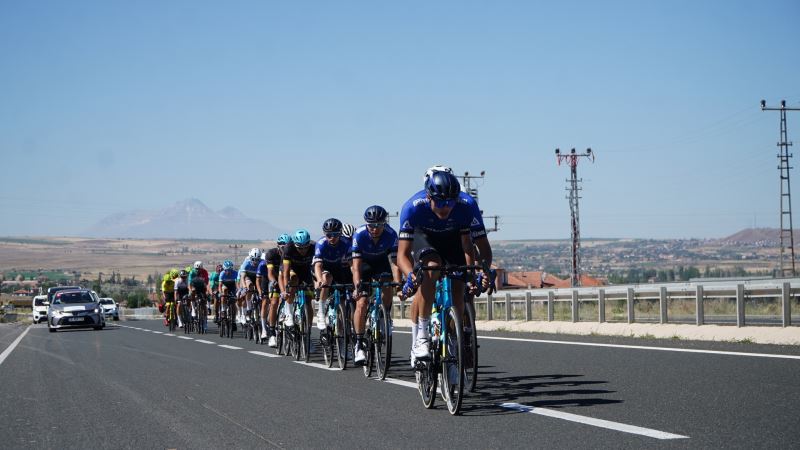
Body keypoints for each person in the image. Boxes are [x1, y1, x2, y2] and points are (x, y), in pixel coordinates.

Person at [397, 171, 491, 362]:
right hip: (425, 239)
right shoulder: (412, 208)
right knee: (432, 267)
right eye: (440, 202)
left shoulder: (467, 205)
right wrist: (409, 275)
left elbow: (482, 249)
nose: (445, 207)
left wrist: (482, 271)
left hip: (452, 240)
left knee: (458, 286)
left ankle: (453, 338)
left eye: (450, 202)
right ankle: (422, 336)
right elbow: (402, 255)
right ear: (429, 197)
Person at [351, 205, 401, 365]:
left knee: (388, 282)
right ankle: (359, 344)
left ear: (384, 223)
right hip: (364, 265)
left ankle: (385, 315)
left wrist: (398, 284)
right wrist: (357, 285)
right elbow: (356, 267)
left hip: (381, 263)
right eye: (371, 225)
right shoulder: (359, 235)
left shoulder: (391, 234)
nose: (375, 229)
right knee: (362, 302)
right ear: (366, 224)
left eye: (379, 225)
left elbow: (395, 263)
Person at [312, 218, 352, 329]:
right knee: (326, 278)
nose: (332, 238)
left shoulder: (346, 243)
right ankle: (320, 313)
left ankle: (341, 331)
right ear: (325, 234)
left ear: (340, 233)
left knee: (343, 303)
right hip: (324, 267)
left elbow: (352, 265)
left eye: (335, 234)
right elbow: (318, 266)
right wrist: (320, 279)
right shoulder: (321, 244)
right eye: (329, 235)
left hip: (338, 268)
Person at [258, 234, 291, 346]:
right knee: (274, 302)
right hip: (273, 279)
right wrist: (274, 282)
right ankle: (272, 333)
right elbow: (270, 273)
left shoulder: (291, 253)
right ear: (278, 246)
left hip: (286, 278)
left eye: (287, 247)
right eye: (283, 247)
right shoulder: (271, 254)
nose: (285, 249)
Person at [280, 229, 315, 328]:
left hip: (305, 270)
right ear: (295, 245)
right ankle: (289, 314)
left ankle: (308, 331)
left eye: (305, 248)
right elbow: (286, 272)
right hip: (292, 268)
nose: (303, 250)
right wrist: (286, 289)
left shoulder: (314, 247)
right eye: (300, 248)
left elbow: (317, 268)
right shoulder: (288, 248)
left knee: (308, 301)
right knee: (294, 279)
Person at [238, 247, 261, 325]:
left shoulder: (262, 263)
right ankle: (249, 309)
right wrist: (244, 287)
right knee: (249, 286)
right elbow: (242, 277)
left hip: (257, 277)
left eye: (257, 260)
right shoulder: (246, 263)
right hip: (248, 277)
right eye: (253, 259)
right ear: (250, 258)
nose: (255, 262)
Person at [218, 260, 238, 330]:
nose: (228, 272)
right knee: (224, 292)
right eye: (227, 270)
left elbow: (237, 284)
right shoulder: (222, 274)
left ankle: (233, 321)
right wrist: (221, 293)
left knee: (233, 304)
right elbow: (220, 286)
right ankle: (223, 310)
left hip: (232, 287)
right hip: (225, 286)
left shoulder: (235, 273)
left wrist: (237, 293)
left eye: (230, 270)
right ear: (224, 269)